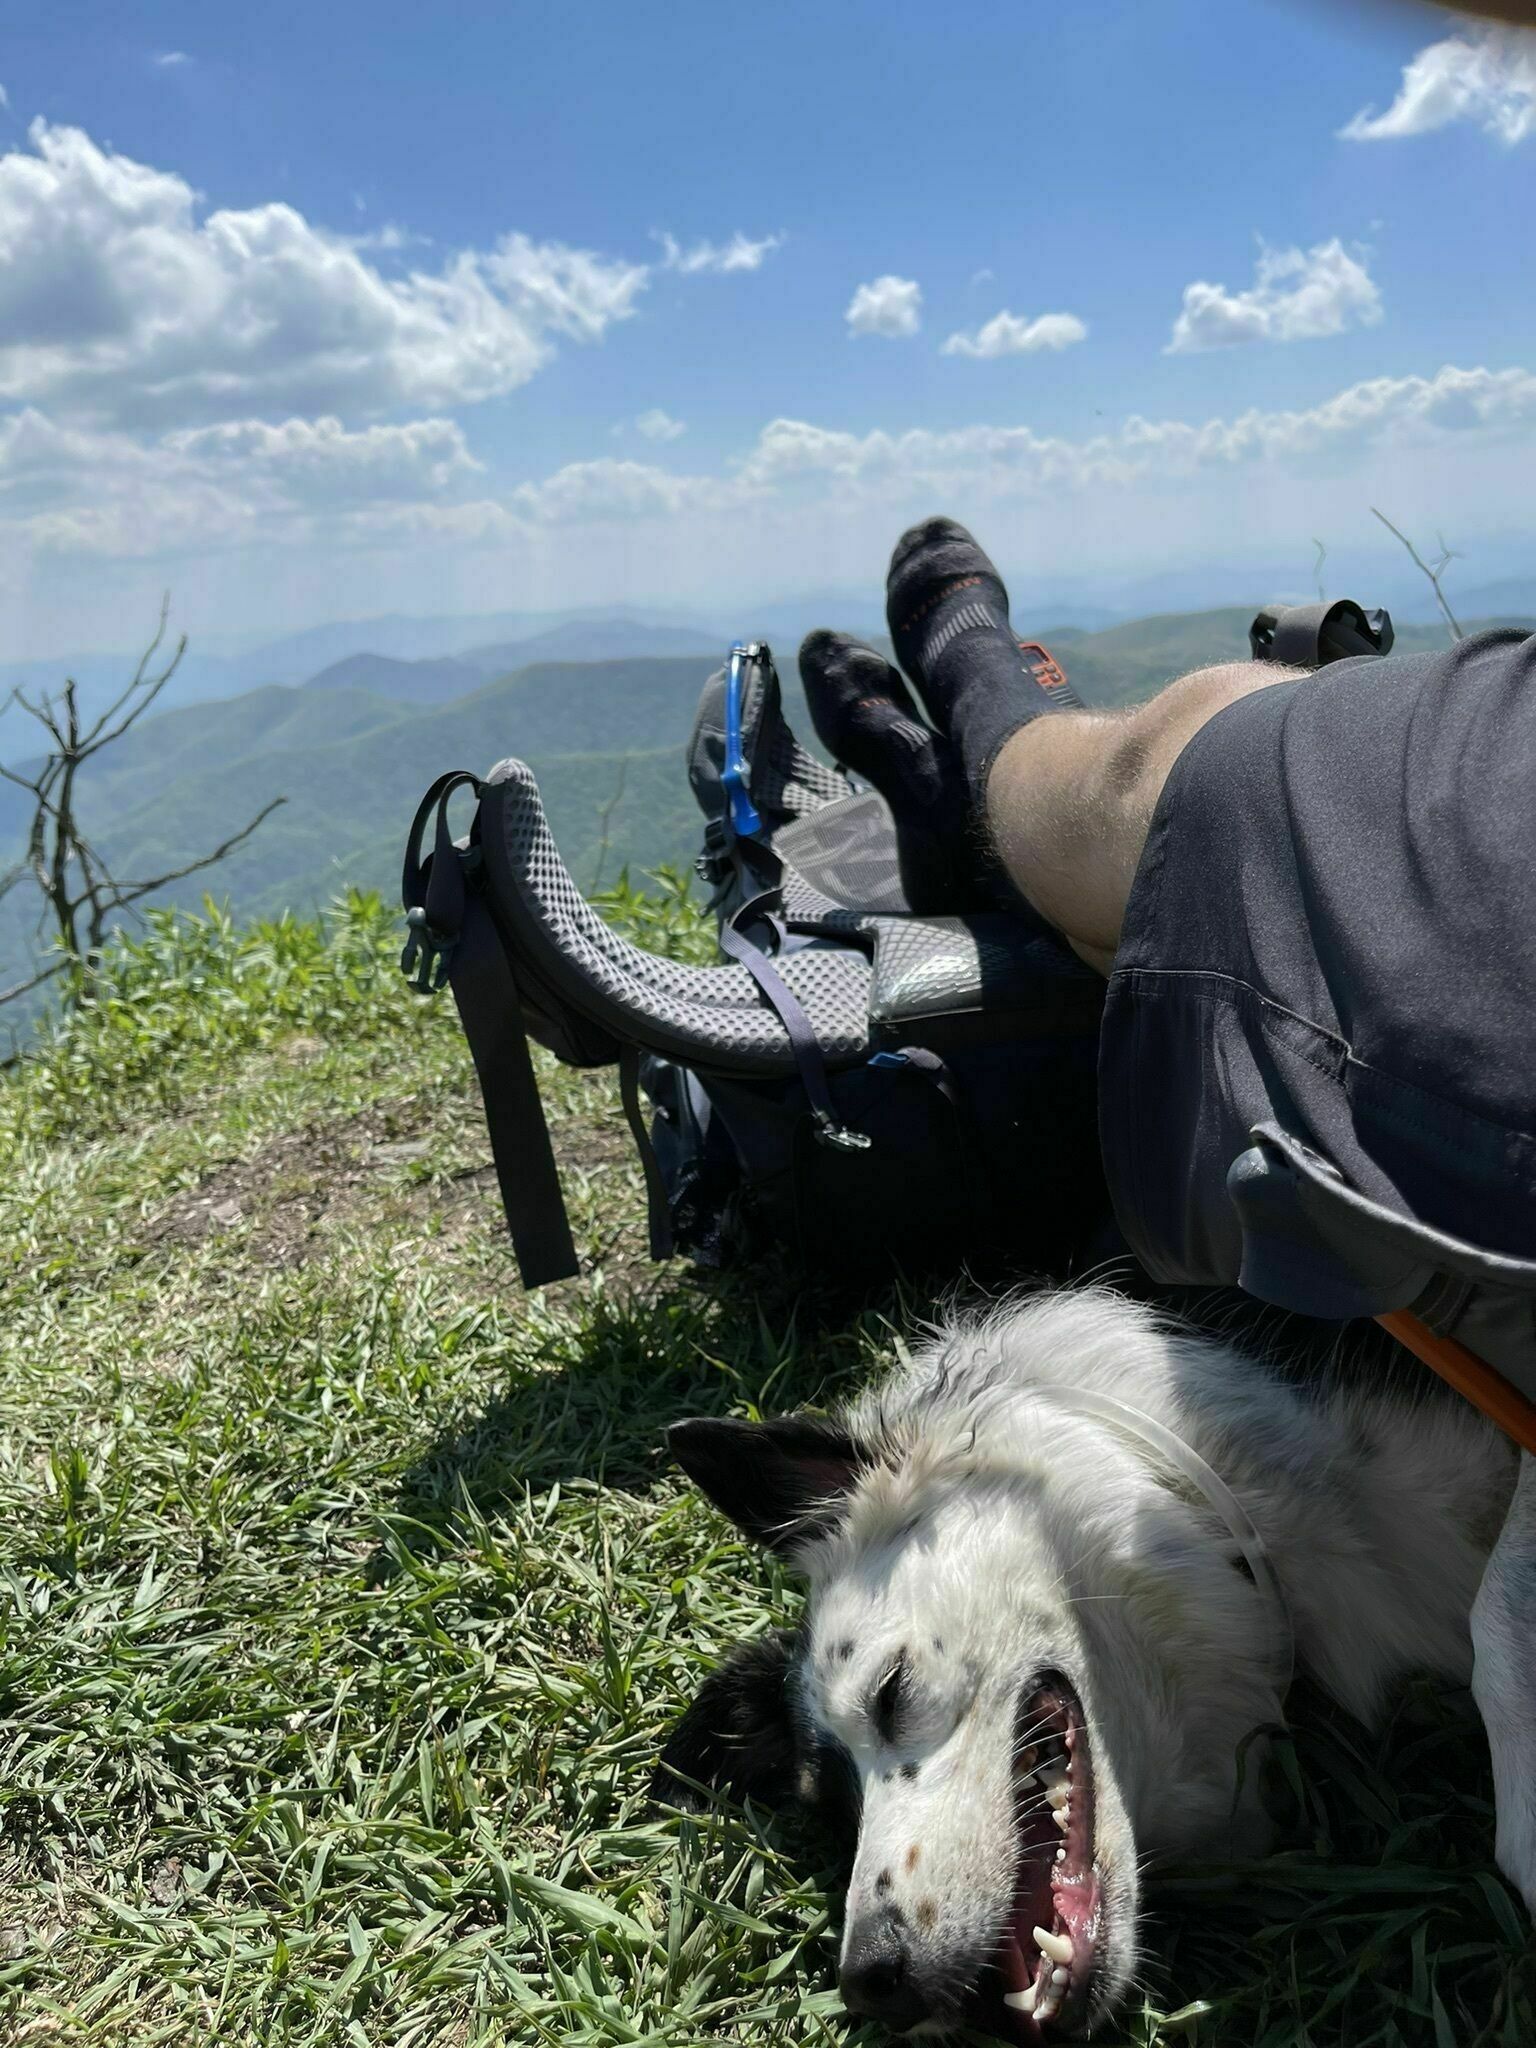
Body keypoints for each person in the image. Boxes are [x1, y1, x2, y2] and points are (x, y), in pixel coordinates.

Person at [797, 517, 1536, 1916]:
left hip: (1370, 870)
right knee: (1151, 792)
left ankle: (967, 731)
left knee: (1146, 819)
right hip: (1412, 865)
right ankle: (976, 691)